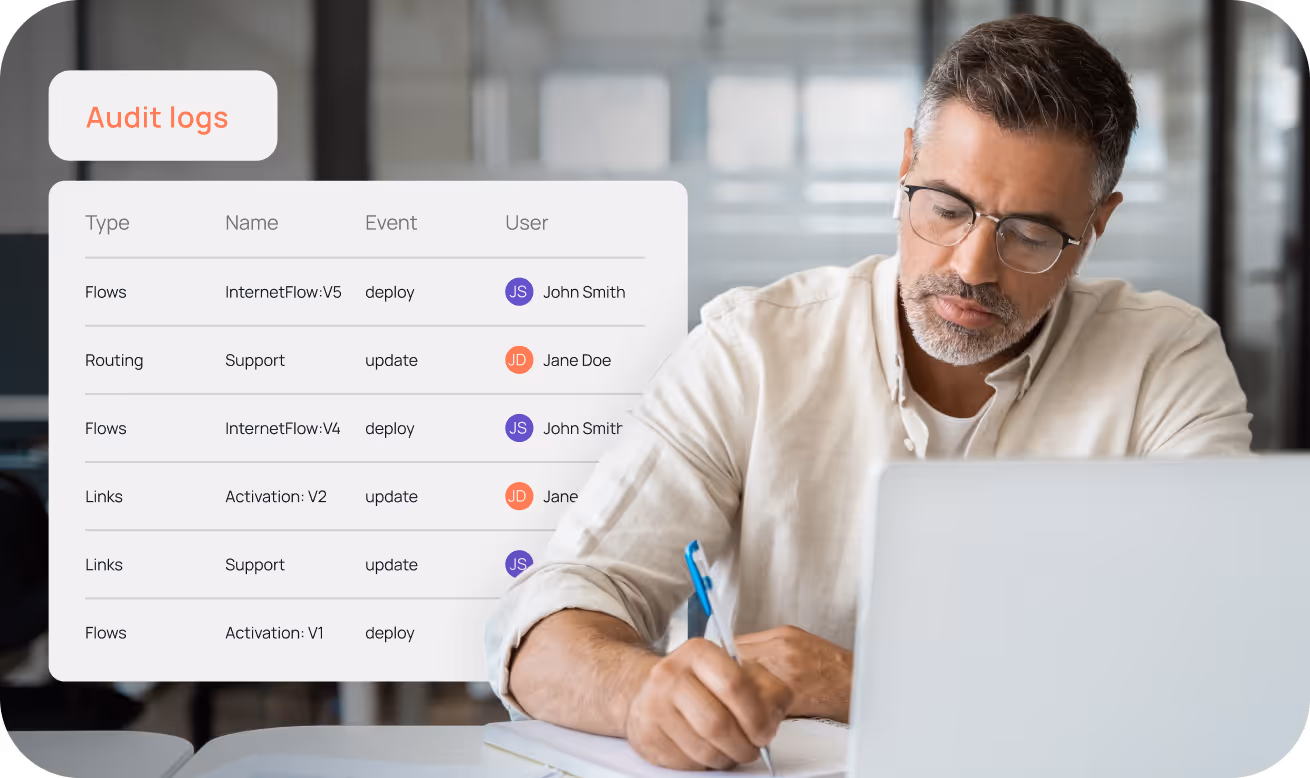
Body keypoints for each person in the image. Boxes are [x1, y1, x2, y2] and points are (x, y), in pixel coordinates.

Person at [484, 14, 1252, 771]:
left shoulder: (1165, 364)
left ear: (1098, 221)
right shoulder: (753, 350)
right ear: (905, 163)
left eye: (1029, 234)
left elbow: (1215, 659)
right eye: (946, 208)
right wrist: (640, 694)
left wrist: (864, 684)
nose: (972, 267)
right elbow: (542, 625)